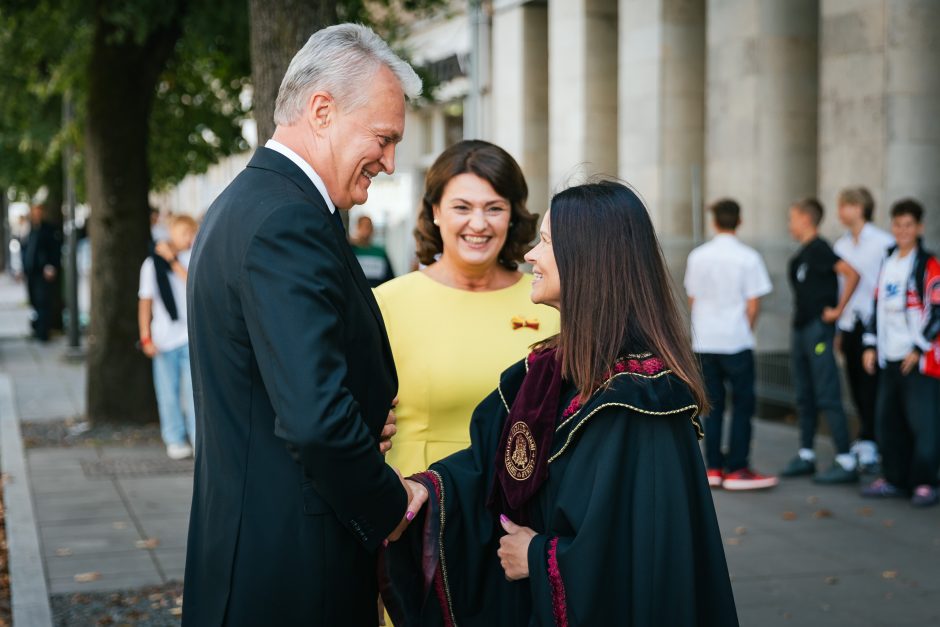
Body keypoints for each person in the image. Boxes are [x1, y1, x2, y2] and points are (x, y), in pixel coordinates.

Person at [383, 181, 739, 626]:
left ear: (587, 260)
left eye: (546, 243)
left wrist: (537, 556)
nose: (530, 254)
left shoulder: (640, 401)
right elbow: (485, 465)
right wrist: (419, 491)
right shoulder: (546, 370)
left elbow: (643, 565)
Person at [182, 24, 424, 626]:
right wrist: (390, 505)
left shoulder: (253, 203)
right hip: (291, 568)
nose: (390, 162)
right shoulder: (288, 221)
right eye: (383, 138)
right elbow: (314, 417)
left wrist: (365, 406)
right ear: (322, 110)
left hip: (258, 550)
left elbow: (275, 380)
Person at [374, 140, 559, 477]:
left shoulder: (550, 304)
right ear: (435, 211)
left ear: (513, 215)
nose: (478, 224)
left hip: (521, 510)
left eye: (494, 208)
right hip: (421, 506)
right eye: (462, 207)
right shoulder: (387, 303)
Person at [685, 199, 777, 490]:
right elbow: (753, 304)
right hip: (736, 340)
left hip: (705, 340)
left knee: (711, 406)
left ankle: (712, 466)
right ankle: (737, 467)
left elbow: (692, 299)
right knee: (742, 405)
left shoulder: (698, 256)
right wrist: (744, 328)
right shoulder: (748, 257)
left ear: (714, 222)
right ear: (740, 221)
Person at [861, 199, 940, 507]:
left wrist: (918, 347)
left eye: (908, 225)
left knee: (925, 425)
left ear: (918, 228)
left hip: (919, 362)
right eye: (897, 225)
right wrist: (870, 344)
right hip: (889, 357)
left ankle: (925, 482)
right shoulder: (888, 260)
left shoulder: (927, 263)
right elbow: (876, 305)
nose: (902, 230)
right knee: (888, 421)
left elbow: (937, 309)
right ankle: (894, 479)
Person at [781, 198, 861, 484]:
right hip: (801, 329)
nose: (789, 224)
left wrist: (838, 311)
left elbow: (852, 274)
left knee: (827, 392)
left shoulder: (821, 249)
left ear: (805, 219)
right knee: (804, 394)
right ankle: (806, 455)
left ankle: (846, 460)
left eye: (792, 218)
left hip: (817, 331)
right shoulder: (803, 254)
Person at [834, 186, 894, 473]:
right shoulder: (841, 245)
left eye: (844, 205)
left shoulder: (883, 242)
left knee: (873, 384)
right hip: (849, 324)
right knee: (856, 382)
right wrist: (837, 328)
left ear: (859, 207)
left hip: (878, 326)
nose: (840, 212)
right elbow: (838, 290)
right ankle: (866, 438)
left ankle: (872, 439)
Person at [138, 215, 199, 460]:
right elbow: (145, 302)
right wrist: (145, 337)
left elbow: (194, 284)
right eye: (185, 233)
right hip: (164, 338)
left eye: (192, 233)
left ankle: (198, 438)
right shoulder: (151, 265)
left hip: (189, 336)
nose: (189, 239)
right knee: (168, 392)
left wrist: (174, 261)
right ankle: (174, 438)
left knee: (194, 392)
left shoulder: (189, 259)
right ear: (172, 233)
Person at [21, 205, 61, 342]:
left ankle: (43, 333)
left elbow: (54, 249)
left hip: (42, 272)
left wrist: (51, 266)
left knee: (43, 300)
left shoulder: (48, 229)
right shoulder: (31, 229)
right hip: (32, 272)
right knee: (35, 301)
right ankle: (38, 329)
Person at [352, 215, 395, 287]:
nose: (367, 230)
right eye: (364, 226)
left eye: (369, 227)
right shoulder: (352, 251)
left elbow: (390, 279)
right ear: (358, 228)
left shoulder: (380, 252)